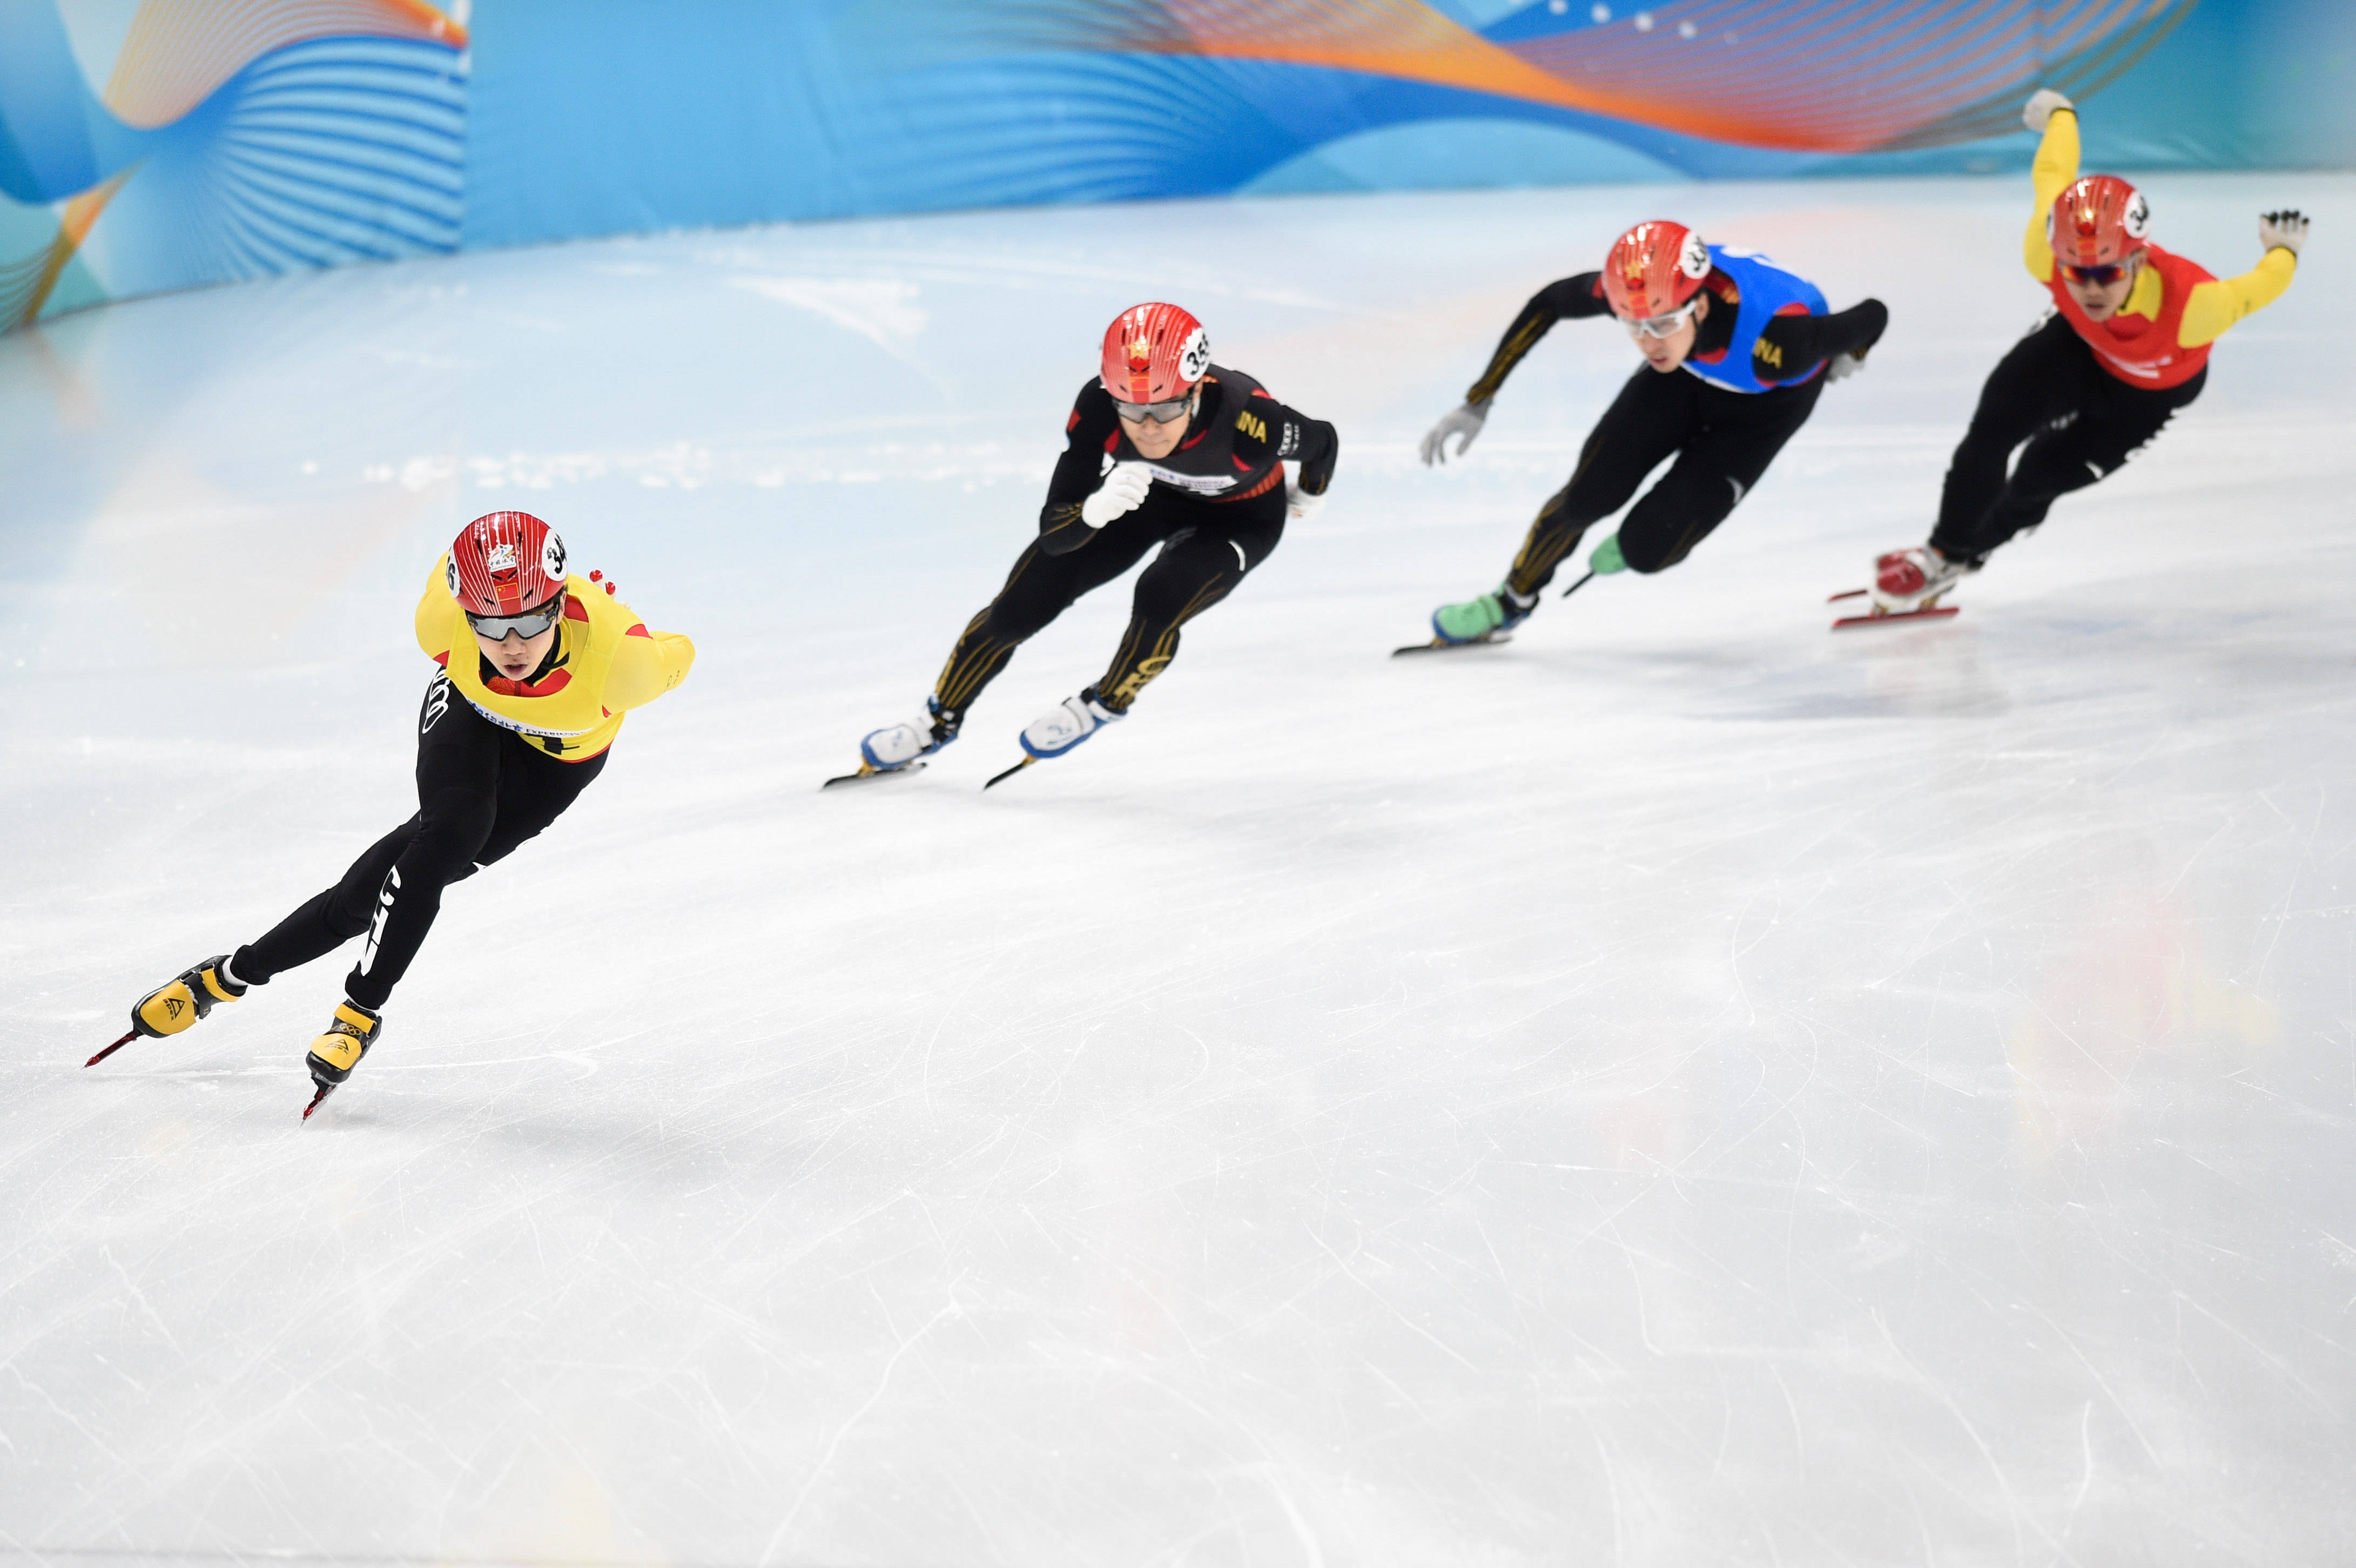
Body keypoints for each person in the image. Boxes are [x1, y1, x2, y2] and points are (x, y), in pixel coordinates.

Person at [99, 512, 694, 1116]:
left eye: (530, 621)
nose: (511, 645)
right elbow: (456, 567)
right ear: (465, 614)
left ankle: (224, 977)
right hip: (472, 710)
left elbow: (683, 652)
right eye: (489, 624)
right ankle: (358, 1013)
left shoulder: (626, 669)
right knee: (447, 838)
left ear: (561, 604)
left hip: (555, 765)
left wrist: (633, 630)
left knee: (370, 893)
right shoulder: (440, 623)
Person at [849, 302, 1337, 780]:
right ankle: (936, 720)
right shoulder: (1097, 406)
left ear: (1197, 390)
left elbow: (1324, 441)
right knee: (1017, 607)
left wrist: (1310, 493)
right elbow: (1056, 534)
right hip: (1145, 496)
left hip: (1241, 517)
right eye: (1131, 407)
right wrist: (1092, 512)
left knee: (1161, 595)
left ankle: (1105, 703)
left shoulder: (1252, 421)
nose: (1148, 428)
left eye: (1166, 408)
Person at [1867, 89, 2306, 616]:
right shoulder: (2046, 255)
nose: (2092, 289)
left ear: (2139, 261)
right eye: (2078, 273)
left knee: (2040, 476)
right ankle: (1942, 554)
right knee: (1991, 430)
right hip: (2079, 349)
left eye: (2108, 273)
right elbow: (2052, 176)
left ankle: (1973, 553)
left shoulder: (2195, 306)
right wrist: (2061, 115)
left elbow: (2258, 289)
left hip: (2147, 394)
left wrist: (2282, 250)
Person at [1418, 220, 1888, 645]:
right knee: (1584, 499)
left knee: (1648, 549)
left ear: (1700, 305)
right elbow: (1549, 304)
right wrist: (1480, 398)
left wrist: (1855, 351)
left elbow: (1874, 313)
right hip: (1683, 377)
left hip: (1765, 408)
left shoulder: (1782, 342)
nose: (1650, 343)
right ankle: (1509, 603)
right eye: (1634, 327)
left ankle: (1632, 544)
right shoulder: (1640, 290)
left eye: (1663, 325)